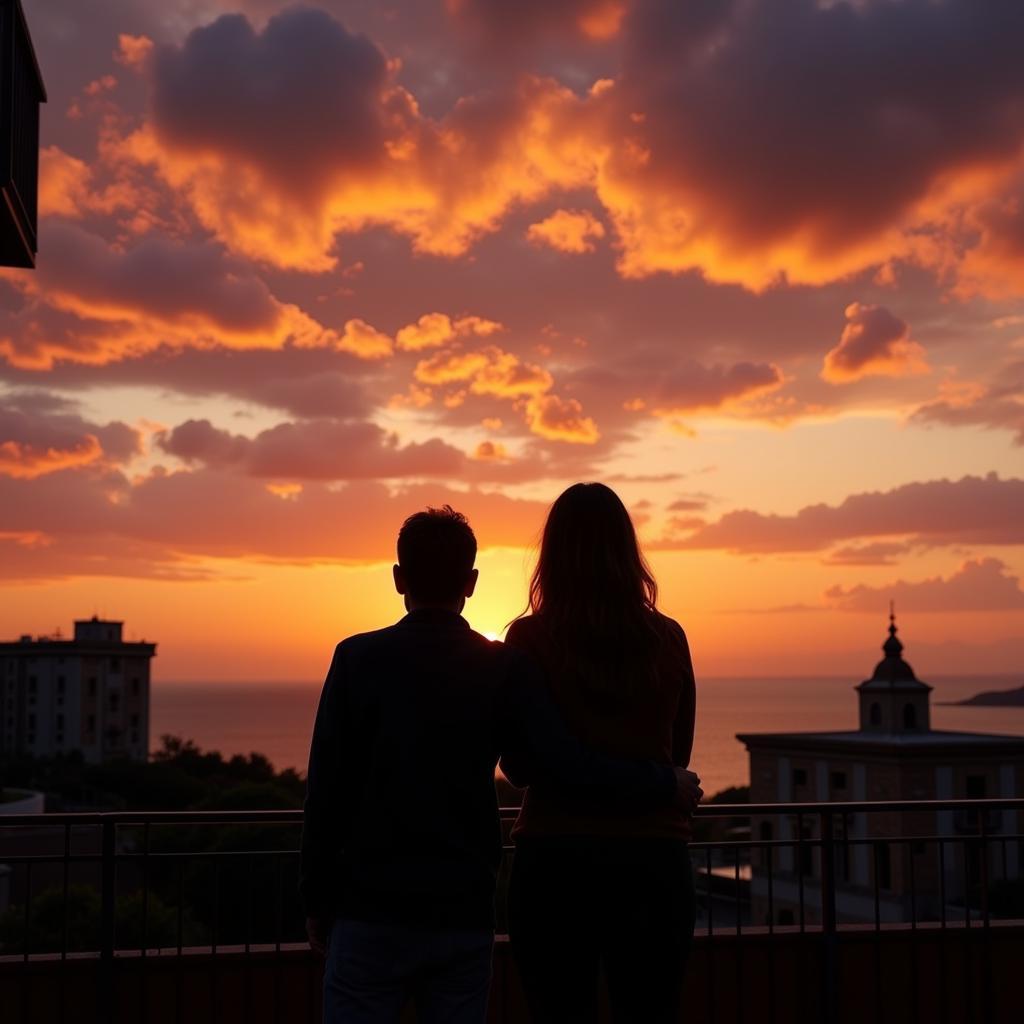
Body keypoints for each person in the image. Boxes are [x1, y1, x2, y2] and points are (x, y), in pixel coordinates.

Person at [300, 505, 702, 1024]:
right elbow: (662, 752)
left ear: (398, 578)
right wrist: (658, 781)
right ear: (471, 582)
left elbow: (327, 789)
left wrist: (315, 895)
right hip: (475, 902)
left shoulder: (361, 658)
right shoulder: (509, 661)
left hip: (388, 903)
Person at [505, 482, 699, 1024]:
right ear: (627, 549)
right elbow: (675, 758)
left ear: (552, 553)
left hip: (556, 865)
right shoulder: (669, 638)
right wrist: (655, 784)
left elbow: (522, 767)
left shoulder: (530, 641)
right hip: (655, 863)